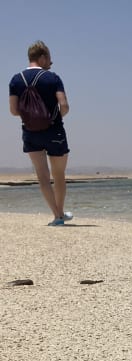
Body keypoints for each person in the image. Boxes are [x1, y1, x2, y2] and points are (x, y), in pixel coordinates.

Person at [8, 40, 73, 226]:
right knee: (58, 174)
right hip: (55, 131)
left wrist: (32, 117)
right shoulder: (53, 78)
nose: (50, 64)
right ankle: (61, 212)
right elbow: (65, 106)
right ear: (42, 57)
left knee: (42, 176)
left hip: (30, 132)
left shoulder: (16, 79)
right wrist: (52, 119)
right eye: (50, 60)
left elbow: (13, 111)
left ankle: (57, 216)